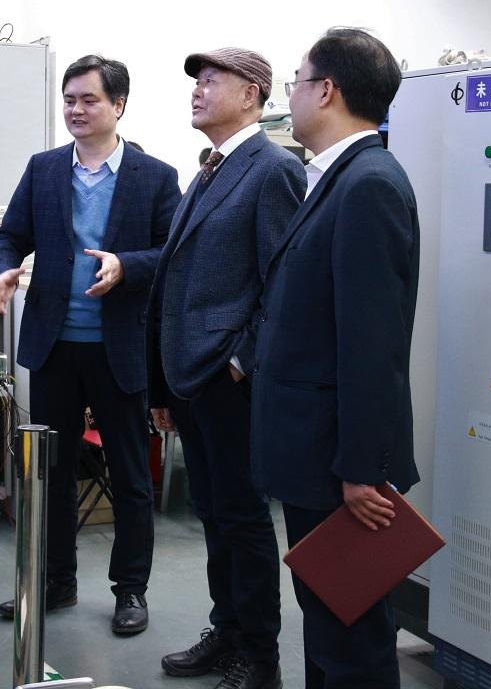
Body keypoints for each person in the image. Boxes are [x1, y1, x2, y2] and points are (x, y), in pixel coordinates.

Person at [0, 55, 180, 635]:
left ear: (118, 105)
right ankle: (55, 581)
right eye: (69, 99)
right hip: (54, 345)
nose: (75, 109)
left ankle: (131, 589)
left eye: (89, 99)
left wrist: (127, 265)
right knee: (51, 471)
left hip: (119, 346)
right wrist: (2, 269)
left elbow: (172, 253)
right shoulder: (44, 169)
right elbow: (10, 234)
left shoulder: (154, 176)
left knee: (130, 475)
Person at [251, 27, 420, 689]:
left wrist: (361, 469)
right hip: (315, 455)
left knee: (352, 638)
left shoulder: (368, 185)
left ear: (326, 91)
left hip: (338, 466)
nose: (288, 98)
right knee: (327, 621)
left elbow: (374, 341)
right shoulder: (336, 179)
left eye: (295, 83)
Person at [149, 48, 305, 689]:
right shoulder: (210, 169)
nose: (198, 90)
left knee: (242, 518)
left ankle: (260, 657)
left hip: (227, 379)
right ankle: (228, 629)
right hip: (190, 375)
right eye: (196, 81)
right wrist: (163, 382)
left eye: (212, 81)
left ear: (251, 95)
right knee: (212, 511)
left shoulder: (273, 169)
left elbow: (283, 284)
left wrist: (241, 362)